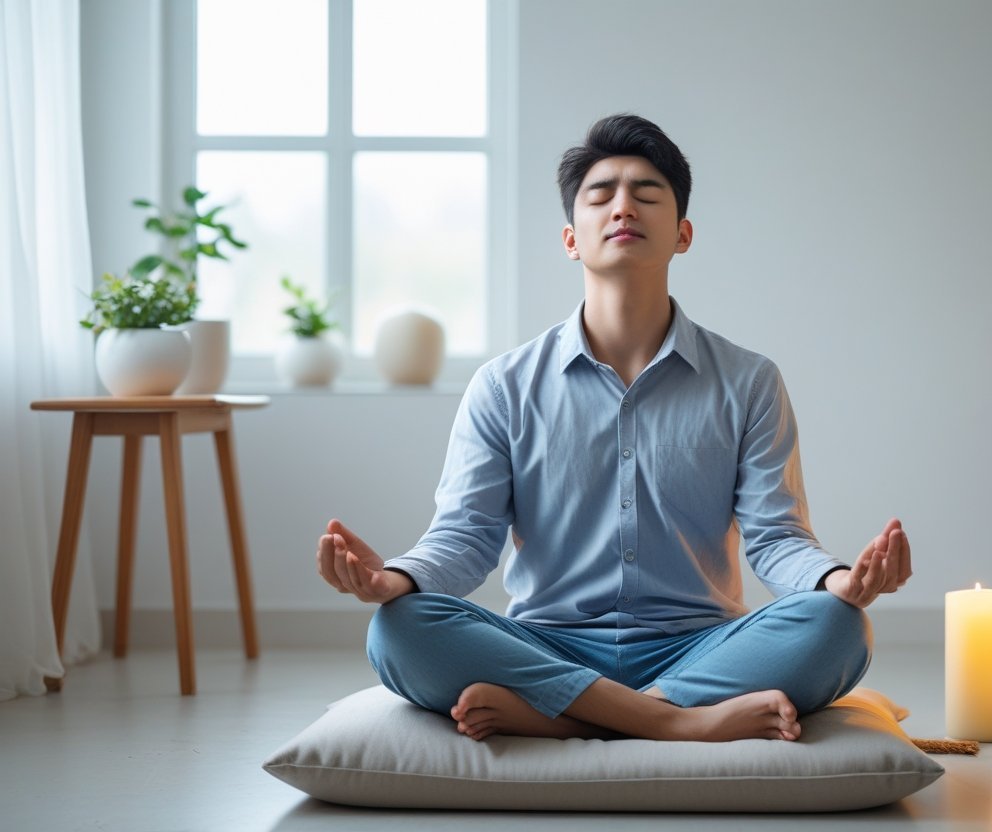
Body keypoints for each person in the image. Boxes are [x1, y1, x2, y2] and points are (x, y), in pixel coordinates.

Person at [317, 114, 911, 743]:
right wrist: (394, 579)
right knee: (397, 628)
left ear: (682, 234)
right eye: (601, 194)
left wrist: (840, 581)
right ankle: (678, 722)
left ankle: (566, 718)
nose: (624, 205)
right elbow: (466, 536)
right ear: (572, 238)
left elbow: (776, 537)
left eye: (647, 193)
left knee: (838, 625)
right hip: (545, 647)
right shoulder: (504, 385)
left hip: (699, 649)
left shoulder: (749, 381)